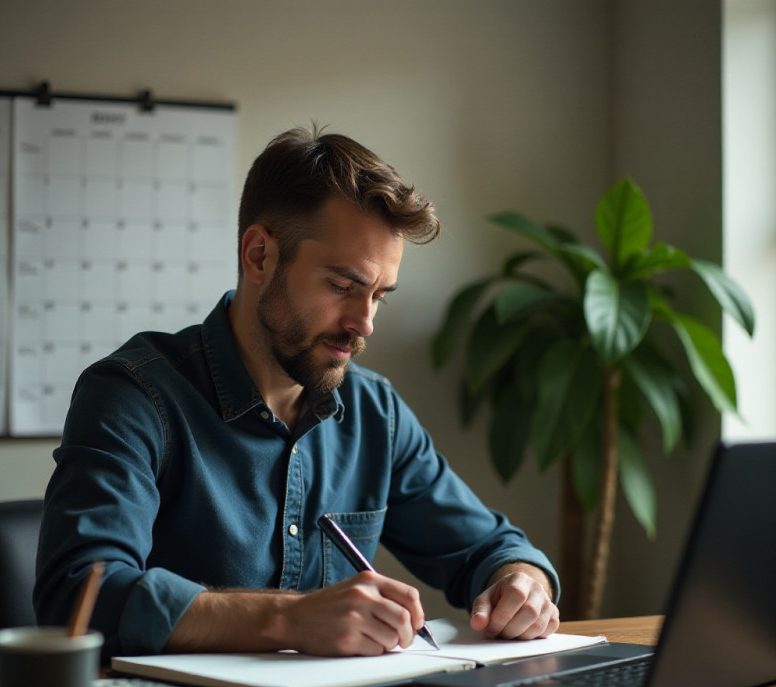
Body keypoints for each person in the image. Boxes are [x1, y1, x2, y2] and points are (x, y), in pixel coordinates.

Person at [34, 126, 560, 659]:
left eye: (380, 295)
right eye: (341, 287)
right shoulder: (133, 396)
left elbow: (491, 549)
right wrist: (286, 618)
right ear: (259, 255)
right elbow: (77, 595)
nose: (365, 323)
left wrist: (522, 583)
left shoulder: (376, 413)